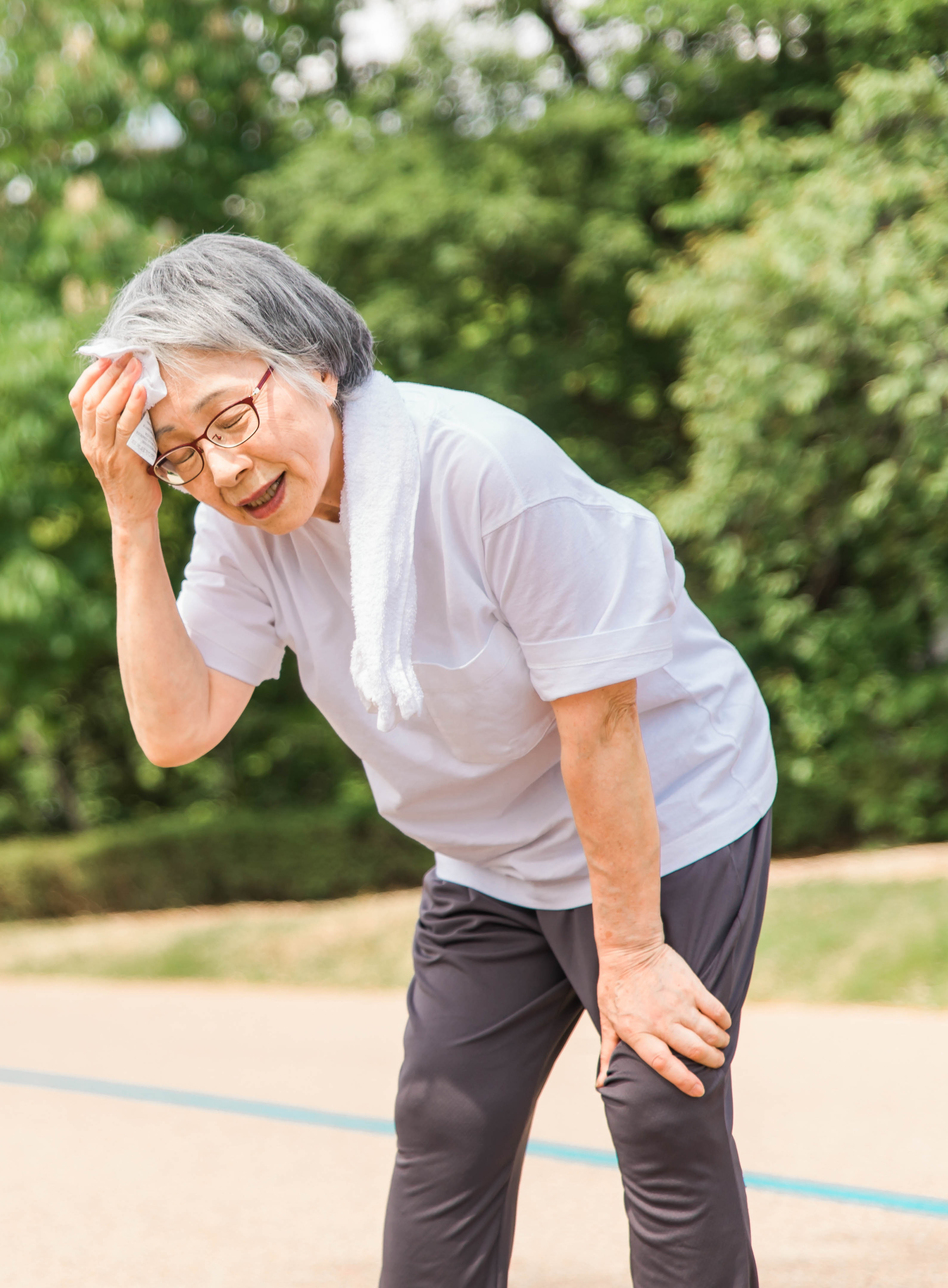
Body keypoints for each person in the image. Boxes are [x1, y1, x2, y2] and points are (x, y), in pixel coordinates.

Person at [66, 234, 776, 1288]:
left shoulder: (483, 468)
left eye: (229, 417)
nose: (220, 469)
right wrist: (133, 517)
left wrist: (629, 957)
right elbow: (176, 729)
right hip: (488, 856)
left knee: (655, 1100)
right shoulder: (241, 528)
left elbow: (601, 724)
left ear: (310, 364)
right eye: (177, 453)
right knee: (445, 1114)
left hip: (667, 803)